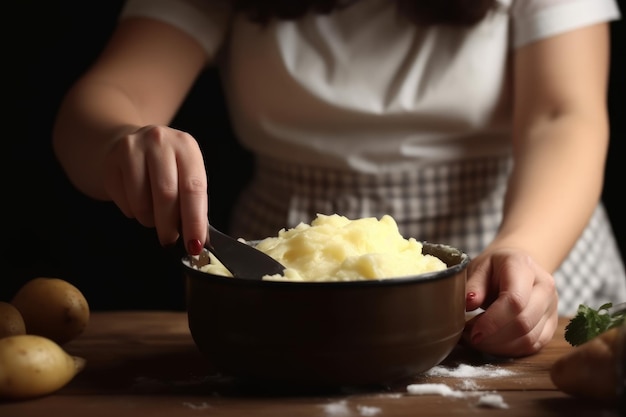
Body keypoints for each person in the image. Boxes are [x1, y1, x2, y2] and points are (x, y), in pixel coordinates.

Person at [52, 0, 626, 358]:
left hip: (517, 239)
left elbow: (564, 117)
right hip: (287, 291)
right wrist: (116, 143)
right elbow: (101, 102)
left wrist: (522, 248)